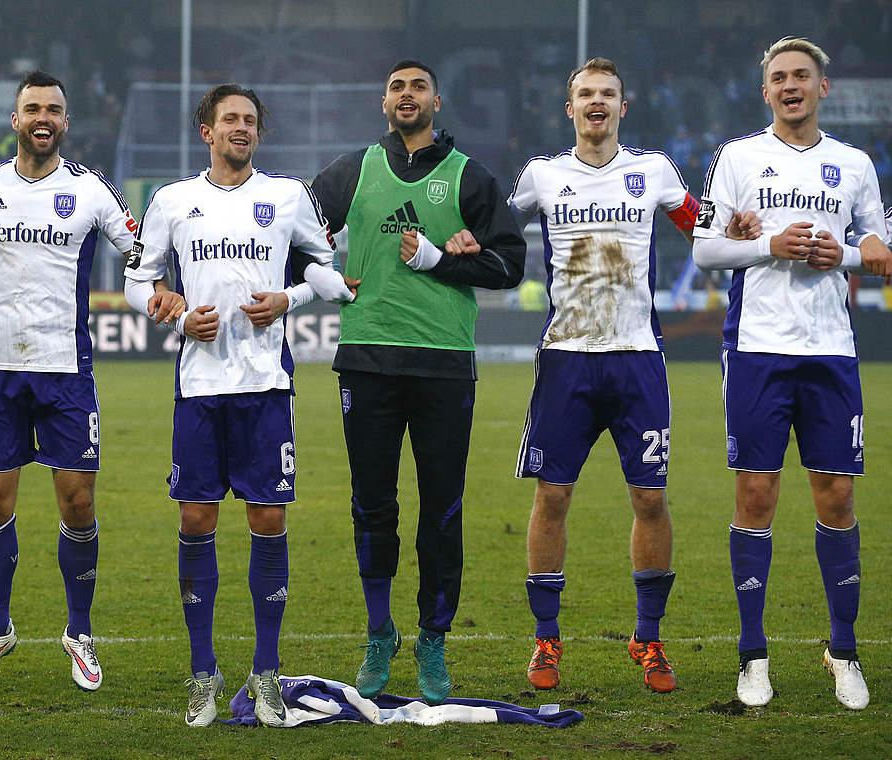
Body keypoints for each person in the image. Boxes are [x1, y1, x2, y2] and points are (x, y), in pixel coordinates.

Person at [125, 84, 355, 727]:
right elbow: (138, 278)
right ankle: (203, 672)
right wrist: (171, 313)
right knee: (197, 521)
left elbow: (326, 274)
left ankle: (267, 673)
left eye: (250, 121)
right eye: (230, 119)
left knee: (267, 523)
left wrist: (289, 301)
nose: (242, 128)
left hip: (265, 388)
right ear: (207, 130)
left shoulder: (286, 197)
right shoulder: (173, 200)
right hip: (198, 387)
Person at [310, 59, 525, 704]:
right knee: (372, 505)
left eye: (418, 87)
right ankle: (381, 632)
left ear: (438, 100)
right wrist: (321, 276)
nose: (407, 96)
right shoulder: (351, 172)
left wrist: (448, 261)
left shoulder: (471, 177)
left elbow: (509, 264)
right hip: (367, 360)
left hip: (442, 364)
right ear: (384, 101)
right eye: (397, 87)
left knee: (441, 510)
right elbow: (287, 232)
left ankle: (433, 637)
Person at [507, 57, 723, 693]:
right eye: (585, 95)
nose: (595, 103)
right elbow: (494, 225)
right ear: (568, 109)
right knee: (552, 496)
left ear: (622, 108)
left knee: (650, 498)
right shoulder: (541, 176)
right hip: (567, 358)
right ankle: (546, 638)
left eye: (607, 94)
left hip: (637, 359)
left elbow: (699, 223)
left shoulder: (652, 170)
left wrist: (734, 224)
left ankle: (648, 637)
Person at [692, 37, 891, 711]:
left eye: (801, 76)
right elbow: (706, 250)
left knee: (836, 496)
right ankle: (753, 657)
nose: (790, 85)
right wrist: (767, 244)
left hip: (832, 350)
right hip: (757, 349)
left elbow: (879, 249)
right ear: (766, 90)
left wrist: (843, 257)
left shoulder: (854, 163)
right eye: (778, 77)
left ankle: (844, 651)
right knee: (756, 496)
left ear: (822, 88)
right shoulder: (738, 158)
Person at [0, 70, 139, 692]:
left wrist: (159, 291)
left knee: (77, 502)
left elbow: (137, 250)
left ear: (66, 122)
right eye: (32, 109)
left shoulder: (93, 191)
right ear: (15, 119)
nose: (42, 117)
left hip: (66, 369)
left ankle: (78, 632)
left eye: (54, 108)